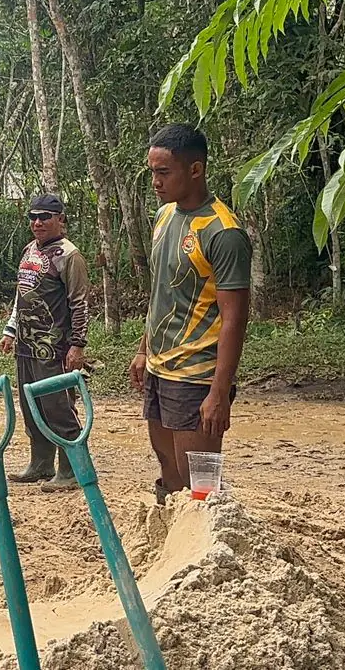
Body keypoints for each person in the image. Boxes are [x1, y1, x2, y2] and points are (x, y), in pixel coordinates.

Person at [128, 124, 251, 504]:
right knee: (166, 464)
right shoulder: (165, 217)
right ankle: (169, 543)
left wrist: (218, 393)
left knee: (200, 481)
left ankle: (207, 548)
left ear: (195, 170)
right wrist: (143, 348)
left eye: (164, 172)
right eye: (152, 172)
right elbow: (162, 292)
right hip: (159, 368)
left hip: (196, 375)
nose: (155, 181)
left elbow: (235, 318)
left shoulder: (224, 233)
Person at [0, 194, 91, 491]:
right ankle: (40, 463)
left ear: (60, 218)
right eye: (33, 217)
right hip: (27, 345)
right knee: (30, 404)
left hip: (55, 347)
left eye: (44, 216)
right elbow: (21, 296)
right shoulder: (29, 251)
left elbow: (80, 303)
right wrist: (11, 329)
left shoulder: (69, 256)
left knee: (58, 406)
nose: (37, 222)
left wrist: (77, 344)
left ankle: (71, 468)